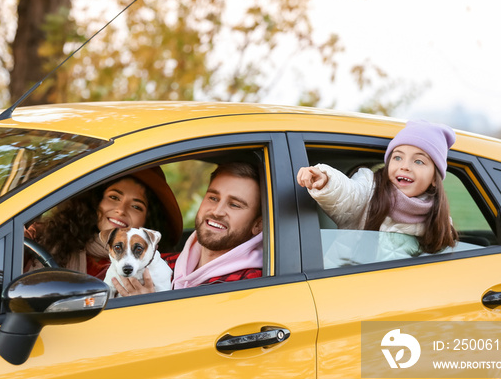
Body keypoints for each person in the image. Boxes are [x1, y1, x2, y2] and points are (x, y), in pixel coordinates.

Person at [296, 119, 458, 254]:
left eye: (418, 161)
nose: (405, 166)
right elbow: (348, 194)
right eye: (397, 157)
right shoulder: (369, 189)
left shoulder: (439, 223)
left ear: (434, 179)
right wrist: (325, 179)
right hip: (342, 285)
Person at [114, 161, 264, 296]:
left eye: (234, 205)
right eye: (213, 198)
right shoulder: (162, 263)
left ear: (258, 225)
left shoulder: (251, 285)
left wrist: (147, 309)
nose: (217, 211)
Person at [24, 167, 183, 279]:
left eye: (136, 206)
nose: (121, 210)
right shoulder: (47, 237)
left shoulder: (156, 269)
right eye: (114, 197)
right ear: (96, 202)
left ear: (147, 221)